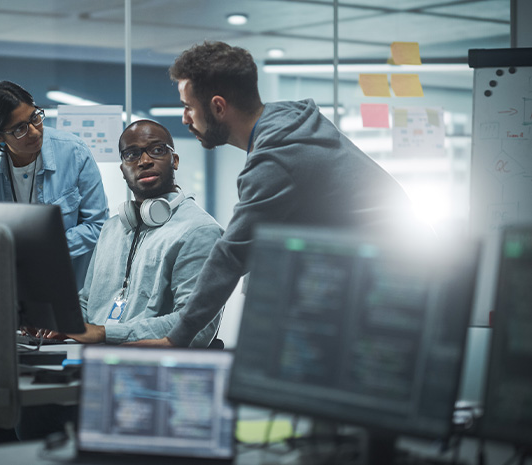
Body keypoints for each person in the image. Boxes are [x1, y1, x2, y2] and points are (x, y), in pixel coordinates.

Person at [130, 41, 418, 348]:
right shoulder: (287, 123)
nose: (185, 118)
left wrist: (176, 338)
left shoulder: (277, 157)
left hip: (390, 294)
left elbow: (232, 255)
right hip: (388, 280)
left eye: (188, 107)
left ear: (217, 107)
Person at [52, 119, 223, 347]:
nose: (144, 161)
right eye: (131, 154)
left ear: (175, 160)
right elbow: (86, 303)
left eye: (157, 150)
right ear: (123, 169)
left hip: (148, 364)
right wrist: (60, 324)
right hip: (94, 355)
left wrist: (104, 333)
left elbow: (196, 327)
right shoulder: (111, 229)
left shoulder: (199, 231)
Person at [0, 80, 108, 288]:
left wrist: (43, 248)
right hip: (9, 287)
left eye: (35, 118)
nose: (34, 131)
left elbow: (98, 225)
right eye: (19, 129)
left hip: (70, 285)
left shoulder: (74, 152)